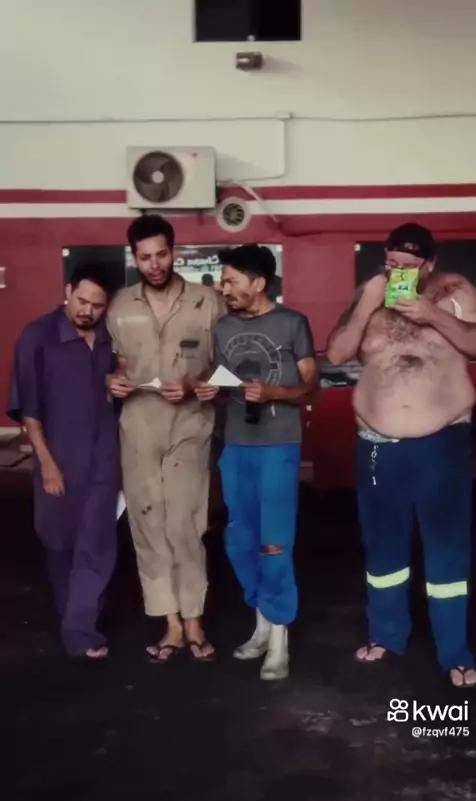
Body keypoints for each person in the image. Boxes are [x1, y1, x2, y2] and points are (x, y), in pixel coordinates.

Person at [326, 222, 476, 688]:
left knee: (447, 549)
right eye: (392, 263)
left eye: (410, 266)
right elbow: (337, 353)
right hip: (378, 447)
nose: (399, 273)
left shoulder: (454, 292)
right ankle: (386, 635)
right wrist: (368, 304)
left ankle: (454, 651)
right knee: (383, 544)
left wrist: (432, 314)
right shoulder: (369, 293)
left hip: (442, 443)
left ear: (430, 263)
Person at [195, 244, 318, 680]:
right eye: (222, 281)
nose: (223, 288)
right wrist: (208, 388)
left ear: (259, 283)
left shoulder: (292, 323)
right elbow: (220, 376)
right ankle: (262, 625)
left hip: (278, 446)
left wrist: (273, 393)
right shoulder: (224, 327)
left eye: (231, 281)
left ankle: (279, 639)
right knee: (240, 541)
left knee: (274, 542)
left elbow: (311, 388)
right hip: (236, 445)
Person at [106, 214, 225, 663]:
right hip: (138, 425)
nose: (154, 265)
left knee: (186, 524)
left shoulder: (207, 302)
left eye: (161, 254)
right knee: (148, 525)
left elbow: (225, 365)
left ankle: (194, 619)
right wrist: (113, 381)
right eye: (145, 257)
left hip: (190, 423)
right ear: (134, 258)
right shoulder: (120, 305)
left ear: (174, 252)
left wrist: (195, 385)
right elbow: (117, 364)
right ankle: (170, 622)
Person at [8, 266, 120, 659]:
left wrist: (119, 380)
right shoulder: (38, 336)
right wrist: (47, 464)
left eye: (97, 306)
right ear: (68, 291)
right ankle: (75, 614)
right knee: (59, 542)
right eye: (82, 301)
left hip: (105, 453)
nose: (87, 311)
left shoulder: (110, 338)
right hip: (58, 455)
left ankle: (80, 630)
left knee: (97, 542)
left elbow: (122, 384)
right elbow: (29, 411)